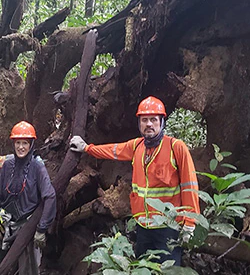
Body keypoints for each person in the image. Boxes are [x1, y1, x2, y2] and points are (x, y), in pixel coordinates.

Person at [70, 96, 200, 265]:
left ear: (162, 122)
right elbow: (113, 150)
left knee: (169, 270)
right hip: (143, 226)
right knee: (143, 267)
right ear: (139, 123)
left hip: (168, 227)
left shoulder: (176, 147)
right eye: (144, 120)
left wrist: (189, 222)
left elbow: (189, 185)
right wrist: (87, 148)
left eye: (154, 119)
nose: (149, 124)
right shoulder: (137, 146)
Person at [0, 121, 56, 274]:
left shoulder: (37, 166)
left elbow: (49, 196)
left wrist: (41, 229)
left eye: (25, 143)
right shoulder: (8, 165)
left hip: (27, 225)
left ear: (31, 144)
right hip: (7, 222)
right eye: (18, 142)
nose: (21, 147)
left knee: (29, 268)